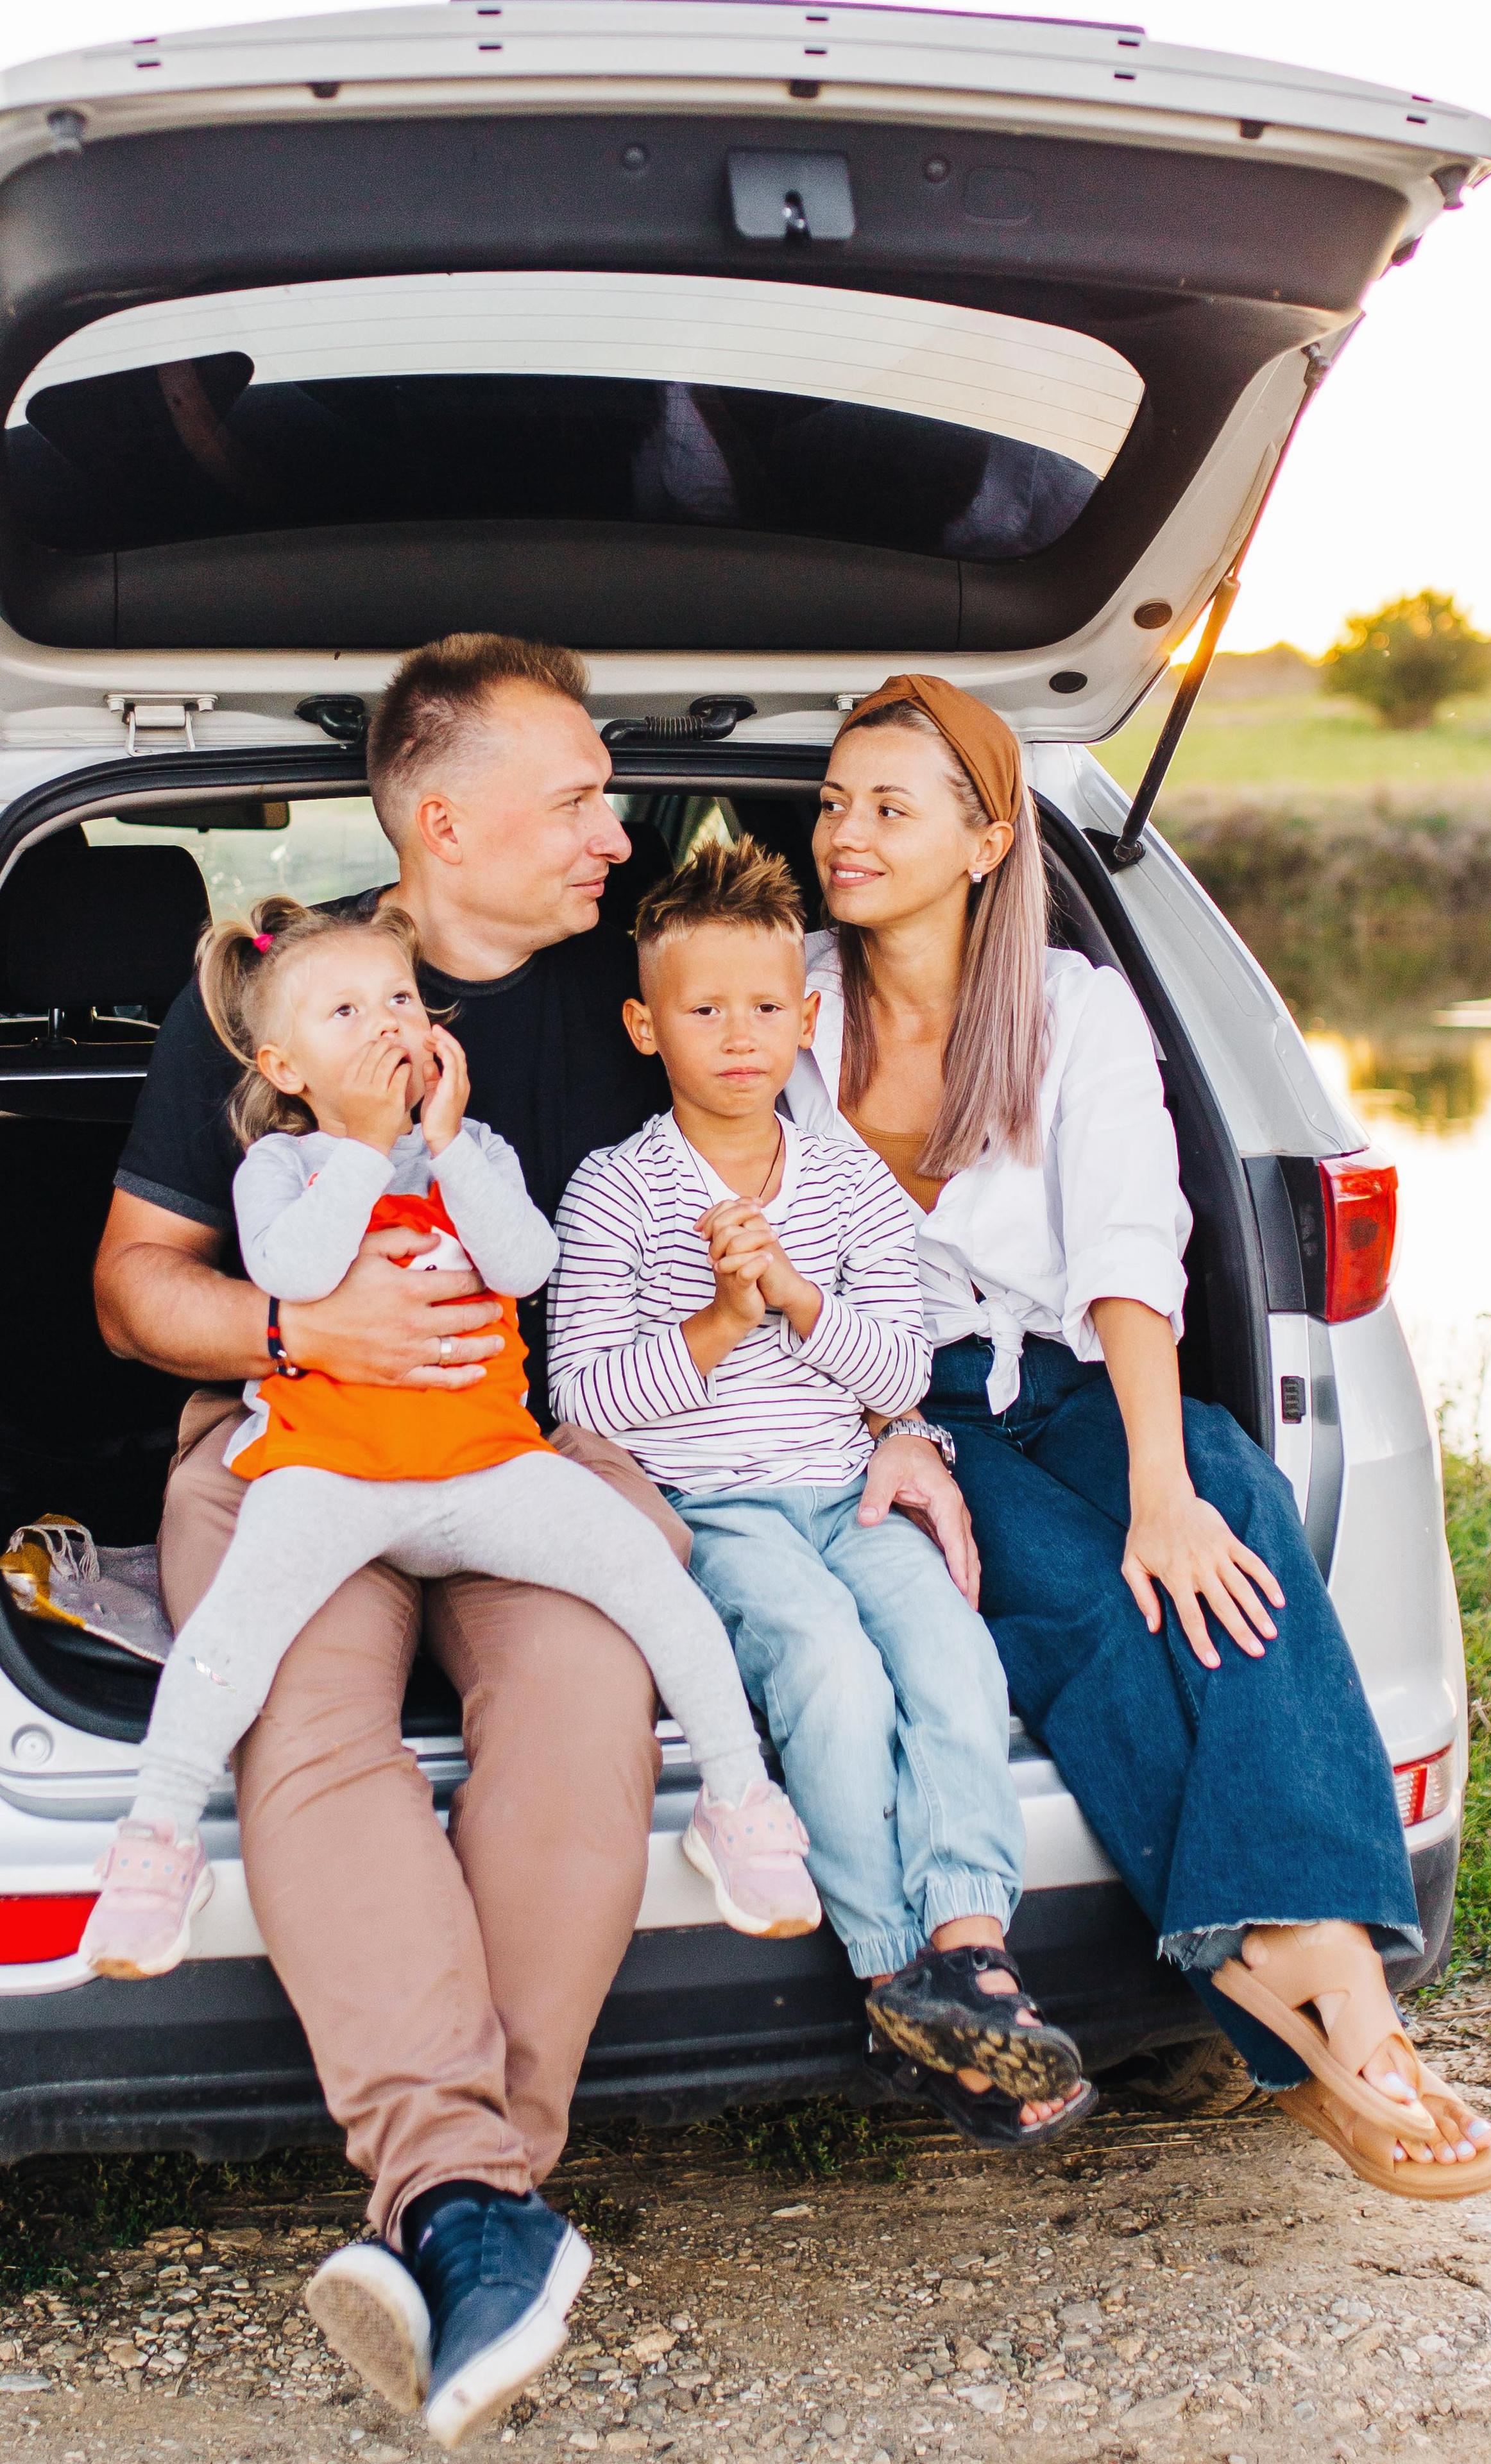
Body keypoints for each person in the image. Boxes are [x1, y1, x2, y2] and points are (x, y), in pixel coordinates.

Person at [92, 633, 973, 2449]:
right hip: (294, 1449)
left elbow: (818, 1219)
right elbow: (132, 1289)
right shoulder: (289, 997)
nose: (614, 834)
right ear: (442, 823)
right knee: (307, 1724)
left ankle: (464, 2210)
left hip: (530, 1451)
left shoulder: (637, 999)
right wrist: (300, 1329)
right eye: (578, 800)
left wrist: (897, 1420)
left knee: (583, 1710)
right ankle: (471, 2197)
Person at [783, 671, 1491, 2203]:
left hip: (1072, 1369)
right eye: (836, 802)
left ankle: (1317, 1982)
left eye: (889, 807)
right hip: (893, 1400)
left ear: (986, 841)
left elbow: (1127, 1249)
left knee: (1223, 1519)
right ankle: (1313, 2006)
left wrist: (1163, 1486)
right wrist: (884, 1423)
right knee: (1083, 1608)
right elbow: (780, 1241)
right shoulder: (790, 1004)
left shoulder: (1073, 1006)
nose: (845, 833)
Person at [82, 896, 817, 1993]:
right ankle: (157, 1837)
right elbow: (293, 1271)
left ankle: (738, 1797)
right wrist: (363, 1150)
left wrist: (445, 1147)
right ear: (285, 1067)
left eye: (398, 998)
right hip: (329, 1471)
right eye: (344, 1012)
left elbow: (526, 1265)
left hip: (486, 1468)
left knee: (655, 1584)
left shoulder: (476, 1151)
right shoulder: (280, 1167)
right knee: (232, 1635)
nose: (385, 1022)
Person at [547, 837, 1093, 2146]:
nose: (737, 1037)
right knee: (831, 1677)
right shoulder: (615, 1192)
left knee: (952, 1664)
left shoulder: (848, 1181)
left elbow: (901, 1371)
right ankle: (894, 1979)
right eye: (701, 1010)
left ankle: (975, 1956)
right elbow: (581, 1405)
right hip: (718, 1512)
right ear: (644, 1027)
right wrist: (717, 1325)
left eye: (762, 1007)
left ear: (806, 1018)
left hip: (852, 1492)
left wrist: (793, 1296)